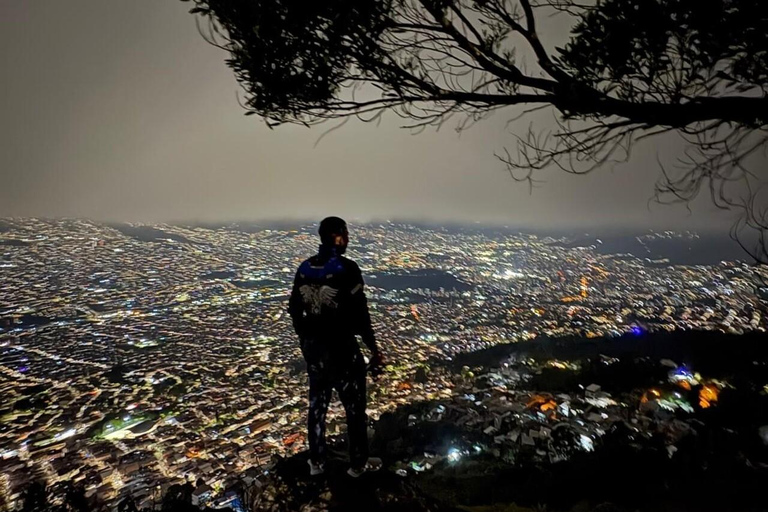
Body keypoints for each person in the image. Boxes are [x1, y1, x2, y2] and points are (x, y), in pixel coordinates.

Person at [288, 217, 385, 477]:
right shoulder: (347, 269)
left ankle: (316, 463)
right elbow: (360, 314)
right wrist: (374, 348)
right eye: (346, 234)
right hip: (342, 350)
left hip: (315, 351)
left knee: (317, 406)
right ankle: (358, 464)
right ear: (338, 237)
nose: (348, 239)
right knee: (354, 409)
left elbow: (294, 308)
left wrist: (305, 339)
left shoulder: (305, 268)